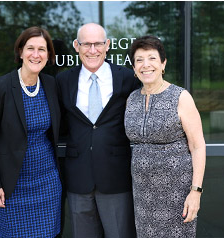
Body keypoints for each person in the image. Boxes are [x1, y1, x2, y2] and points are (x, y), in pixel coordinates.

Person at [56, 23, 140, 238]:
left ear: (107, 45)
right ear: (76, 46)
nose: (92, 50)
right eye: (86, 44)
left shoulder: (127, 78)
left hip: (116, 177)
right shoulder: (63, 81)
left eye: (98, 44)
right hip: (78, 177)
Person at [0, 26, 62, 238]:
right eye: (30, 48)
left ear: (49, 55)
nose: (36, 54)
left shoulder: (51, 85)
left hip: (47, 182)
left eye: (42, 49)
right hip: (12, 187)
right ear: (20, 52)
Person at [124, 35, 206, 237]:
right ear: (134, 68)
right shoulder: (132, 99)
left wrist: (195, 192)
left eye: (152, 58)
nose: (146, 65)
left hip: (177, 195)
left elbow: (198, 146)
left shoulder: (180, 96)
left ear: (163, 63)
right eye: (139, 60)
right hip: (143, 197)